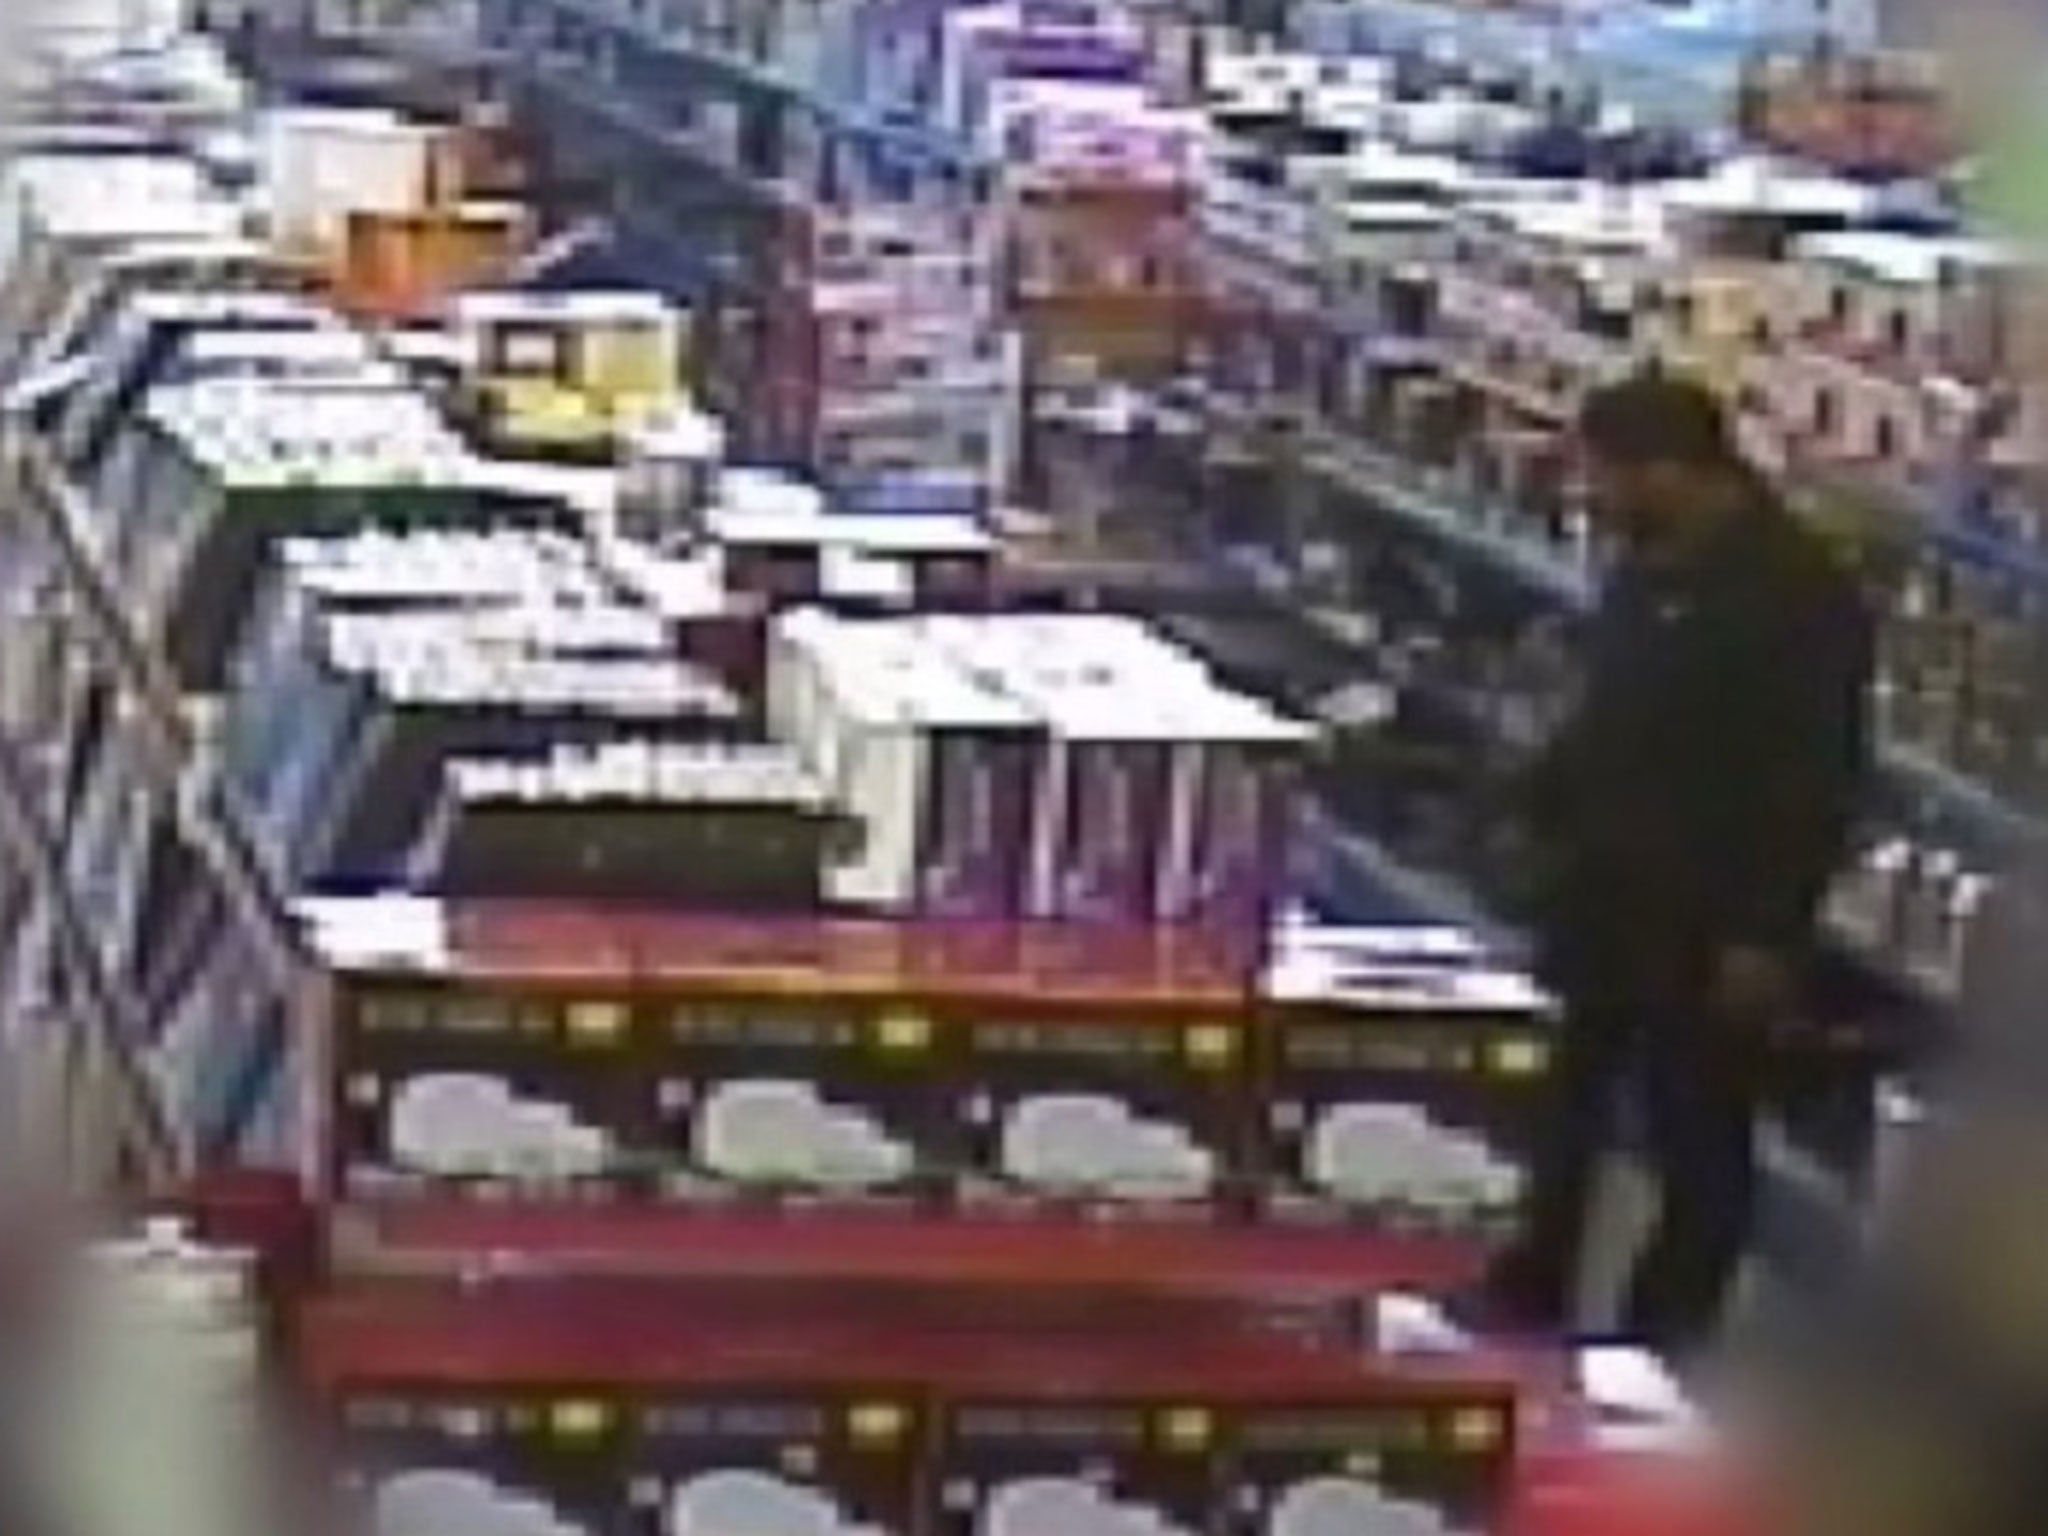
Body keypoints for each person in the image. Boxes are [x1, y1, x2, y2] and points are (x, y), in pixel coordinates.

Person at [1483, 369, 1876, 1359]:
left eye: (1603, 476)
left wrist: (1763, 934)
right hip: (1600, 893)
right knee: (1560, 1103)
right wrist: (1534, 801)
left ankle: (1658, 1349)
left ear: (1672, 470)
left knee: (1695, 1134)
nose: (1588, 497)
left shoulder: (1800, 600)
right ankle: (1527, 1295)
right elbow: (1609, 707)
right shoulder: (1646, 563)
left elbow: (1812, 782)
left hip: (1706, 919)